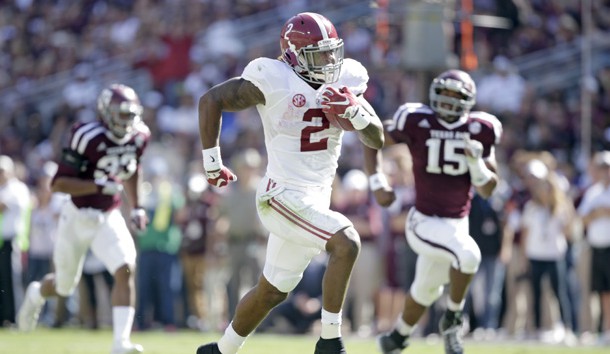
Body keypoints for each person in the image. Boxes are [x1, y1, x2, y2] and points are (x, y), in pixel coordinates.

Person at [195, 12, 384, 354]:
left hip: (314, 201)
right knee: (348, 241)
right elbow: (211, 100)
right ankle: (330, 342)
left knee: (272, 291)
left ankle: (219, 351)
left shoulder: (347, 78)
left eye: (332, 52)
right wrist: (212, 162)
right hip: (281, 196)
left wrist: (355, 110)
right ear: (294, 55)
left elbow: (377, 138)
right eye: (319, 54)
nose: (329, 61)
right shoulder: (275, 78)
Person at [364, 69, 502, 354]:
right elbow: (372, 134)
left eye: (456, 96)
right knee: (469, 255)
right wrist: (377, 181)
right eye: (445, 94)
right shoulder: (416, 120)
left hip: (457, 224)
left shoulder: (481, 128)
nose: (449, 101)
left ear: (469, 100)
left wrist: (476, 164)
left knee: (426, 290)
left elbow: (489, 189)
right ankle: (452, 320)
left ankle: (397, 338)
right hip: (423, 221)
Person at [17, 83, 150, 354]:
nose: (126, 120)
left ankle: (120, 343)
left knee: (125, 268)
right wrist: (97, 185)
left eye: (130, 114)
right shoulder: (86, 135)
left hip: (108, 216)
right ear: (105, 112)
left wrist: (137, 206)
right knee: (64, 287)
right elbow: (59, 184)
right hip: (76, 216)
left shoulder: (140, 135)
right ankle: (37, 292)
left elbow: (133, 169)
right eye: (120, 113)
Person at [577, 151, 610, 345]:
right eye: (602, 168)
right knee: (602, 292)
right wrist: (598, 214)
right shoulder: (594, 192)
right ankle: (606, 330)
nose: (605, 172)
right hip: (597, 248)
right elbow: (583, 218)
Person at [0, 155, 31, 327]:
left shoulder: (16, 188)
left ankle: (15, 318)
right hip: (1, 241)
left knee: (12, 280)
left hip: (12, 241)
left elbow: (3, 206)